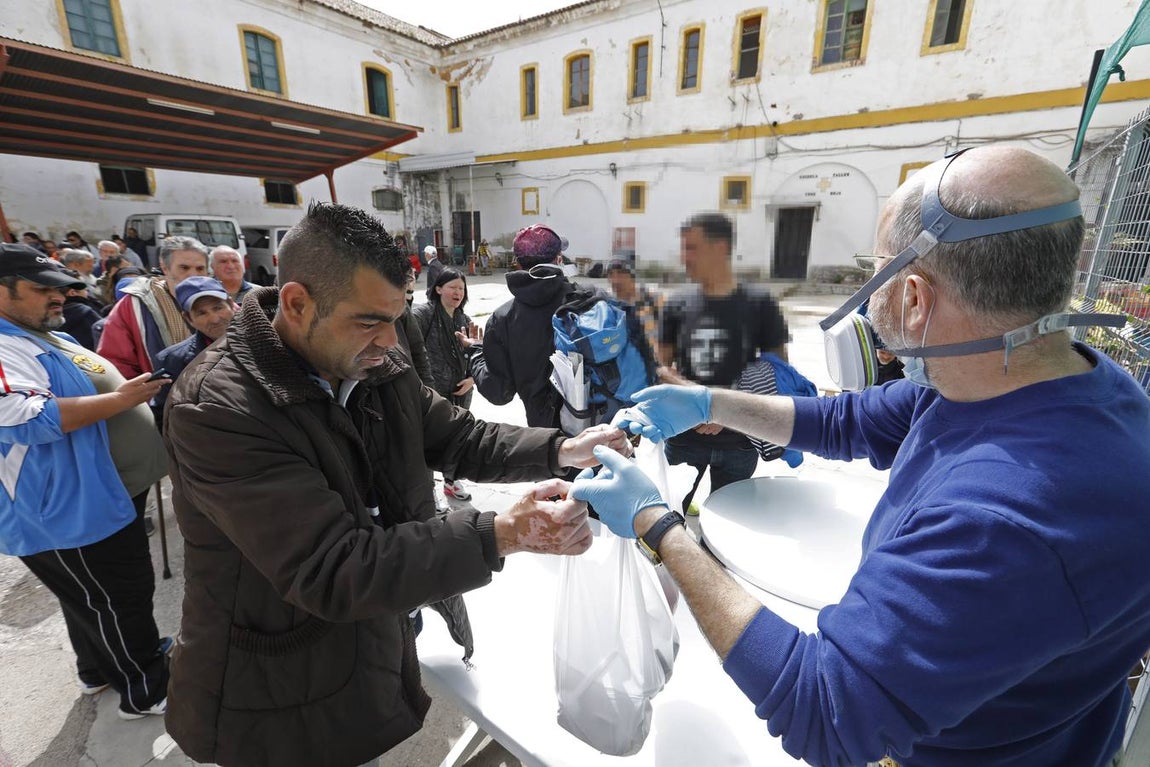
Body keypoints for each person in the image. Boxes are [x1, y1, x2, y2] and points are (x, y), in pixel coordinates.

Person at [579, 146, 1150, 767]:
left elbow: (824, 711)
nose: (863, 295)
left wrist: (658, 526)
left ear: (911, 298)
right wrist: (708, 404)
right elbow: (849, 420)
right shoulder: (1027, 380)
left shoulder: (1006, 519)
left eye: (871, 273)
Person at [161, 202, 631, 767]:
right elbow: (334, 567)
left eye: (397, 316)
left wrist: (561, 449)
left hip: (369, 635)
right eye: (369, 321)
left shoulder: (373, 360)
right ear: (297, 303)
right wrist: (502, 532)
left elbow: (460, 438)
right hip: (275, 677)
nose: (390, 340)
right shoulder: (217, 408)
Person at [0, 244, 172, 719]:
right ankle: (146, 689)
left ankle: (97, 670)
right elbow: (26, 419)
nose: (59, 297)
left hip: (101, 494)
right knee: (118, 597)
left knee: (91, 598)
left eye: (61, 288)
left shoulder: (38, 332)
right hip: (65, 509)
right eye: (42, 289)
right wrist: (124, 399)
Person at [658, 213, 789, 514]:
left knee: (729, 524)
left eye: (691, 248)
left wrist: (724, 412)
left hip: (740, 443)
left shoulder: (760, 305)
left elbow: (778, 373)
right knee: (670, 516)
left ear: (719, 248)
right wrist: (703, 407)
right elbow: (662, 368)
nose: (684, 257)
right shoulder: (677, 304)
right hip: (684, 436)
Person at [468, 224, 574, 428]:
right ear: (559, 259)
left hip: (546, 441)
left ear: (516, 263)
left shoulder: (503, 319)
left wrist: (475, 351)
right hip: (597, 428)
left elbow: (499, 392)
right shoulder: (589, 301)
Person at [412, 267, 479, 501]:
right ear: (438, 288)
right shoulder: (423, 315)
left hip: (460, 393)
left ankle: (451, 481)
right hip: (430, 393)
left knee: (457, 437)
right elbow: (407, 349)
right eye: (452, 287)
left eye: (461, 288)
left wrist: (472, 379)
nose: (457, 292)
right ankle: (428, 491)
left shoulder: (465, 320)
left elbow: (477, 354)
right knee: (428, 441)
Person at [97, 236, 207, 378]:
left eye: (200, 269)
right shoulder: (134, 304)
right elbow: (116, 360)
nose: (193, 275)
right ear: (165, 268)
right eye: (184, 268)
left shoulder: (220, 300)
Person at [153, 275, 236, 413]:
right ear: (188, 318)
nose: (214, 319)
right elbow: (164, 413)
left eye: (218, 307)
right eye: (202, 313)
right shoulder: (173, 361)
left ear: (231, 304)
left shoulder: (263, 341)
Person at [606, 259, 661, 355]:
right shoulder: (607, 303)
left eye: (620, 274)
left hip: (652, 357)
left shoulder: (651, 297)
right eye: (611, 274)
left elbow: (672, 327)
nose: (615, 280)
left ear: (632, 277)